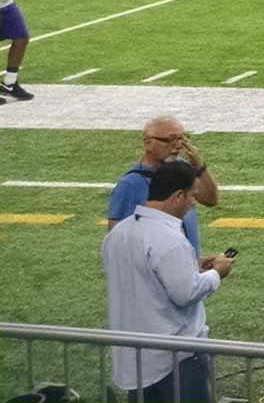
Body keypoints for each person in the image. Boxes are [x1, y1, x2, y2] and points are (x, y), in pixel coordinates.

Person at [102, 160, 234, 403]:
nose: (194, 203)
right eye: (192, 196)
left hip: (134, 357)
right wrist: (217, 273)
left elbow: (142, 277)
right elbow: (186, 293)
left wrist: (191, 266)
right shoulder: (169, 238)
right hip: (175, 360)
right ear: (177, 196)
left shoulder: (118, 233)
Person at [109, 117, 220, 250]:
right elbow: (117, 240)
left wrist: (199, 165)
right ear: (148, 143)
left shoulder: (182, 169)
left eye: (182, 139)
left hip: (185, 263)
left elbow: (210, 199)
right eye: (170, 140)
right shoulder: (130, 184)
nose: (178, 145)